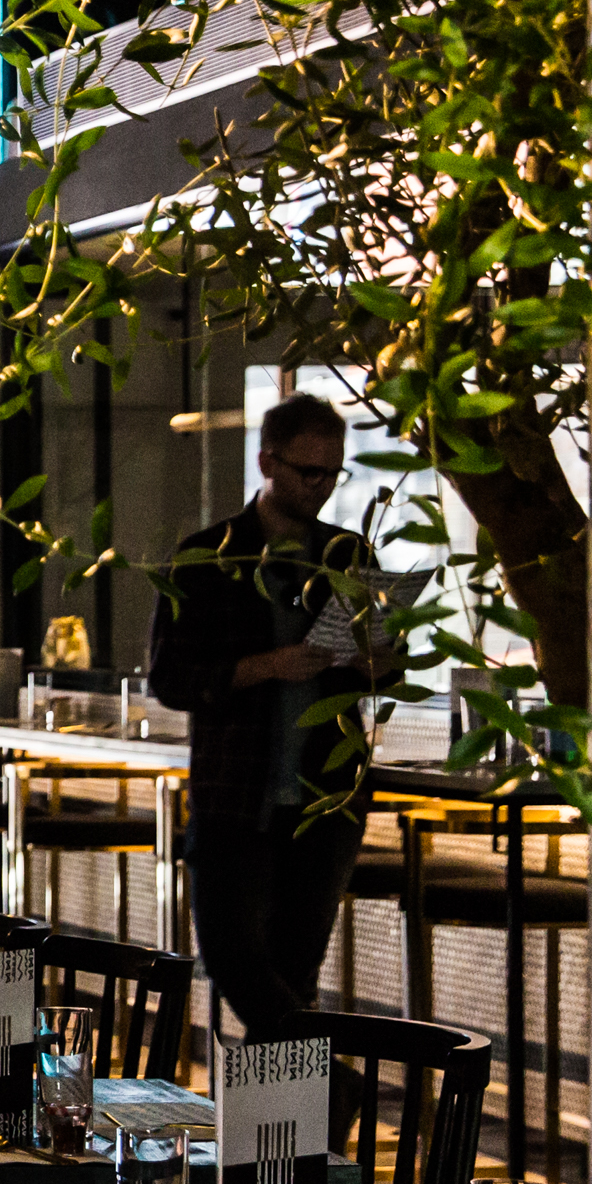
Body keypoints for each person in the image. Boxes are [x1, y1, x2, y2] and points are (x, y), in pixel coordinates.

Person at [148, 391, 378, 1040]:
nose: (320, 487)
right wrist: (264, 665)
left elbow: (378, 673)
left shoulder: (345, 556)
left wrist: (376, 658)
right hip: (233, 797)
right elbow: (169, 678)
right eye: (308, 472)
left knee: (294, 972)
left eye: (331, 473)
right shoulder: (206, 556)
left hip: (325, 801)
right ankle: (328, 1083)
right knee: (231, 957)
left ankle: (283, 1136)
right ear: (266, 463)